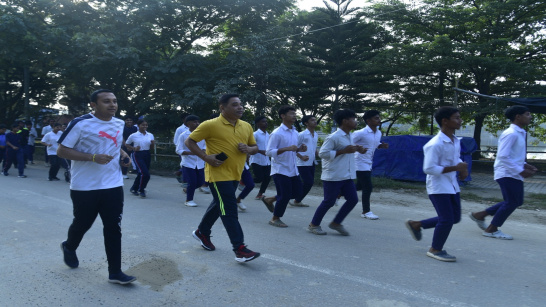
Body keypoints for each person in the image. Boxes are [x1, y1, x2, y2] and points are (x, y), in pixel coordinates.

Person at [57, 89, 135, 284]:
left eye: (115, 101)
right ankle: (69, 246)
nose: (113, 105)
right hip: (85, 186)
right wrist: (92, 157)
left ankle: (115, 272)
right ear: (93, 105)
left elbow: (115, 145)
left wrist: (124, 156)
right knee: (83, 223)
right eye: (106, 101)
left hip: (113, 184)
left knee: (113, 227)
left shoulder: (118, 123)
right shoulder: (81, 123)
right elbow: (61, 150)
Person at [185, 93, 260, 262]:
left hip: (235, 173)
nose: (240, 107)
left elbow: (255, 147)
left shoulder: (246, 126)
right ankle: (239, 248)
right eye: (234, 104)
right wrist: (205, 157)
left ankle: (202, 232)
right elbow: (189, 142)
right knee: (229, 209)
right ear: (222, 108)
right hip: (217, 175)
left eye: (240, 104)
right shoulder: (210, 125)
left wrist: (248, 149)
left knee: (218, 205)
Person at [405, 106, 467, 262]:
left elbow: (455, 159)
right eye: (457, 118)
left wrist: (462, 168)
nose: (460, 120)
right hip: (439, 186)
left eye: (460, 117)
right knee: (446, 219)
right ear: (445, 121)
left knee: (455, 217)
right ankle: (435, 249)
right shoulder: (435, 144)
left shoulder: (455, 140)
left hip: (452, 184)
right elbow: (429, 168)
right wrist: (456, 168)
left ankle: (417, 225)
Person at [469, 106, 537, 240]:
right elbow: (503, 156)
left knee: (516, 201)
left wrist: (526, 165)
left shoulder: (520, 132)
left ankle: (480, 215)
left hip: (512, 172)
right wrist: (521, 171)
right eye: (527, 114)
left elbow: (514, 156)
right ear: (518, 116)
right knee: (512, 202)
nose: (530, 117)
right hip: (507, 173)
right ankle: (491, 229)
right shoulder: (511, 133)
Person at [308, 109, 366, 236]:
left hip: (347, 175)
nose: (356, 122)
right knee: (328, 201)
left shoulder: (350, 135)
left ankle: (336, 223)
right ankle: (314, 224)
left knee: (353, 199)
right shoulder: (334, 137)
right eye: (353, 119)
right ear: (345, 121)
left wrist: (359, 150)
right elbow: (322, 153)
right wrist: (343, 151)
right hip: (333, 176)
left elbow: (348, 150)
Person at [262, 105, 306, 227]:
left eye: (295, 113)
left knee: (298, 193)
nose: (294, 116)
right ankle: (275, 219)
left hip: (293, 168)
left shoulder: (295, 132)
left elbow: (293, 149)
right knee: (285, 195)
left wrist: (299, 149)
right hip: (280, 169)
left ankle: (269, 199)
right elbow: (269, 152)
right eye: (291, 113)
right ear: (283, 116)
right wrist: (286, 148)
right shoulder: (277, 133)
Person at [353, 110, 389, 220]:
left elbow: (373, 143)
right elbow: (347, 143)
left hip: (368, 162)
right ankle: (366, 211)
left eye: (379, 118)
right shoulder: (360, 133)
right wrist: (358, 148)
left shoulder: (378, 133)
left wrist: (381, 146)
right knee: (367, 187)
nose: (379, 120)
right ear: (368, 121)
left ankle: (338, 194)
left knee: (359, 186)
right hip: (358, 162)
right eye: (376, 118)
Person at [176, 115, 205, 207]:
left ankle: (187, 189)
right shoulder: (183, 135)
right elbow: (178, 150)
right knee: (192, 182)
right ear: (188, 124)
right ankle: (189, 200)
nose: (197, 124)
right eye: (194, 122)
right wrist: (191, 152)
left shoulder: (203, 134)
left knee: (201, 182)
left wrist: (203, 152)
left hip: (200, 163)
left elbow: (205, 146)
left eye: (197, 122)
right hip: (188, 163)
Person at [291, 115, 319, 207]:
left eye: (315, 120)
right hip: (302, 163)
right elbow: (293, 148)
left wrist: (317, 152)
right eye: (312, 120)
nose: (315, 121)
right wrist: (301, 157)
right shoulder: (301, 134)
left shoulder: (316, 134)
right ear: (306, 123)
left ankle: (297, 200)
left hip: (311, 162)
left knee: (309, 183)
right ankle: (294, 198)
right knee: (308, 182)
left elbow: (313, 148)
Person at [125, 119, 155, 198]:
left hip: (147, 154)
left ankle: (134, 188)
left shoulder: (150, 135)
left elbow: (151, 147)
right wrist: (134, 148)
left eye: (146, 125)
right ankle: (141, 189)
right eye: (143, 125)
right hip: (138, 154)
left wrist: (152, 144)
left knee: (141, 173)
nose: (145, 126)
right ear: (138, 126)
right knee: (145, 174)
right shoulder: (134, 135)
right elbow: (126, 144)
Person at [249, 116, 271, 200]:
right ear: (258, 124)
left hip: (266, 161)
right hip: (256, 160)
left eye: (266, 121)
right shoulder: (255, 134)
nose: (265, 123)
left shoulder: (268, 135)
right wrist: (260, 151)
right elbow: (250, 146)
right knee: (259, 178)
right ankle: (244, 181)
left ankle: (260, 194)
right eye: (263, 121)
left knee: (267, 178)